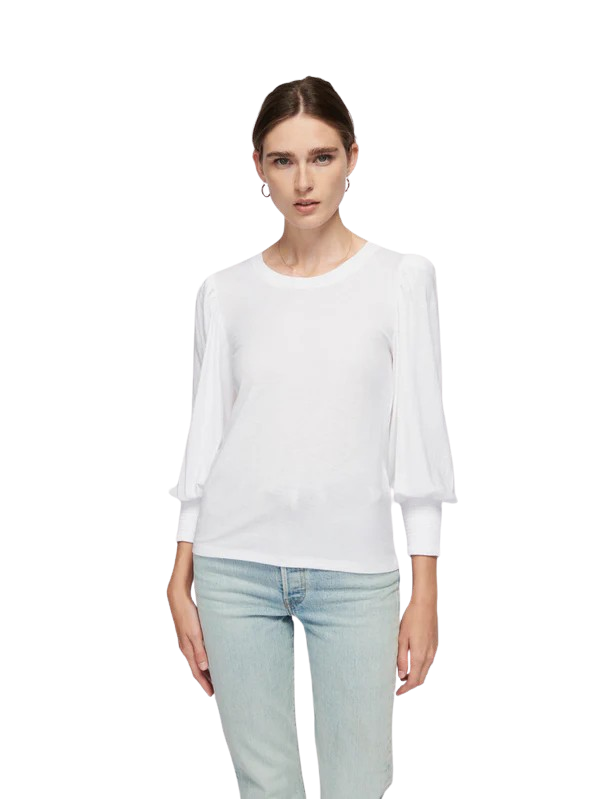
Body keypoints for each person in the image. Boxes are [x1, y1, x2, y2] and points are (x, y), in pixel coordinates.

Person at [166, 75, 457, 798]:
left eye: (321, 157)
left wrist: (425, 591)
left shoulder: (402, 279)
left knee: (360, 784)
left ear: (353, 157)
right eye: (284, 159)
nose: (304, 181)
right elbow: (206, 438)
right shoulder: (223, 293)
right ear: (258, 168)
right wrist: (180, 574)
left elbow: (419, 442)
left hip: (355, 575)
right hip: (233, 569)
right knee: (265, 788)